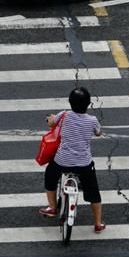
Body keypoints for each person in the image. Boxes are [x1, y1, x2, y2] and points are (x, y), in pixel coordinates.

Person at [39, 86, 105, 233]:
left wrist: (49, 118)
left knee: (50, 175)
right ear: (88, 104)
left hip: (62, 161)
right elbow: (98, 132)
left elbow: (51, 123)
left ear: (70, 102)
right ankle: (98, 223)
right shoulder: (92, 120)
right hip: (84, 164)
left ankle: (52, 207)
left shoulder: (65, 115)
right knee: (93, 191)